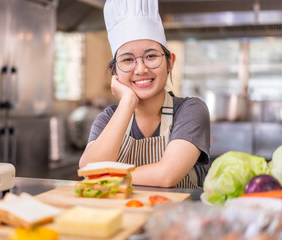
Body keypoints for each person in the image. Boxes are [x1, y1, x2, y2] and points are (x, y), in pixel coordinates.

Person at [79, 0, 210, 188]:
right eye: (127, 60)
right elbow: (88, 170)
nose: (140, 69)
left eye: (151, 56)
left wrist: (105, 176)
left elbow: (166, 175)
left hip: (173, 216)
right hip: (120, 216)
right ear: (115, 71)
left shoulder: (190, 110)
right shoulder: (108, 118)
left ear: (170, 62)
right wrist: (127, 102)